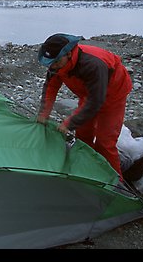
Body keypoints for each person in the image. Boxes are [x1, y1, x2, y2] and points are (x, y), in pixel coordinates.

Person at [36, 33, 132, 179]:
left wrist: (69, 123)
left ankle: (116, 184)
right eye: (50, 63)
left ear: (68, 54)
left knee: (105, 143)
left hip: (113, 95)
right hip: (89, 95)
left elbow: (96, 101)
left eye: (55, 62)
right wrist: (44, 113)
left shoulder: (92, 64)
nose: (52, 66)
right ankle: (87, 170)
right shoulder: (57, 65)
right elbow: (50, 87)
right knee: (82, 136)